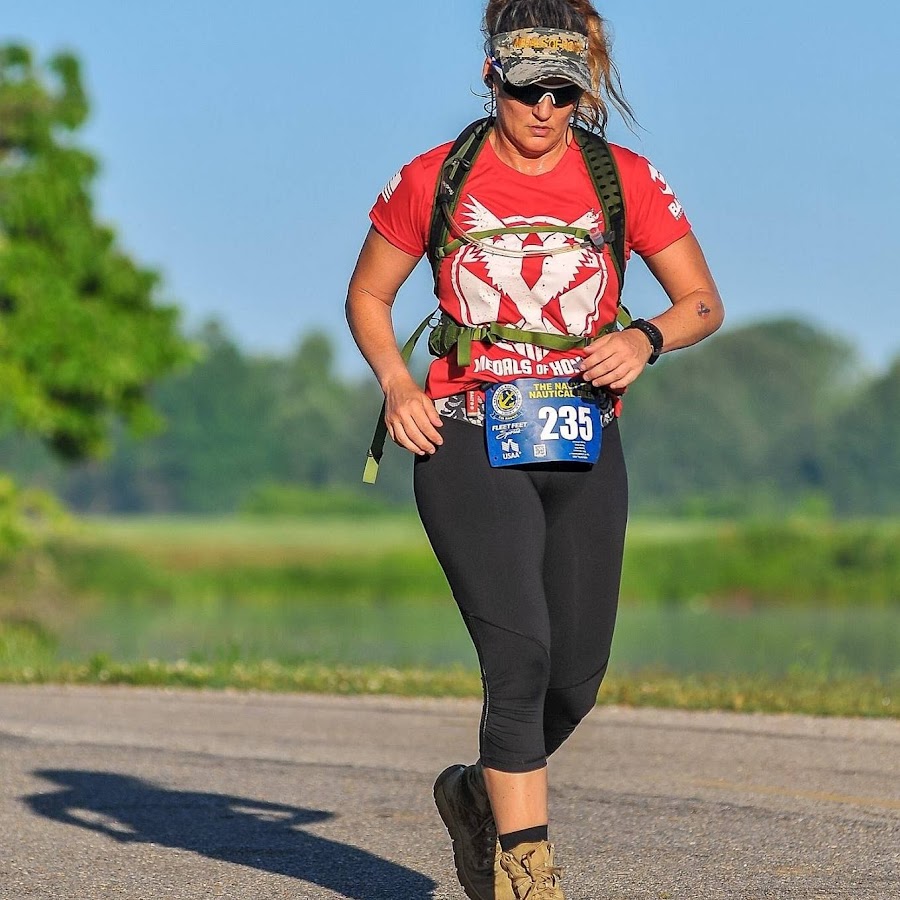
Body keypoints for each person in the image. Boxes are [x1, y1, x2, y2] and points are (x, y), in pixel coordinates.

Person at [346, 1, 724, 897]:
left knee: (575, 677)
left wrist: (646, 339)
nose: (546, 110)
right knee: (517, 659)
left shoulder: (622, 178)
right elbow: (368, 295)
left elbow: (703, 302)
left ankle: (479, 792)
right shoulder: (435, 177)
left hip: (584, 442)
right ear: (492, 80)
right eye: (528, 91)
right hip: (466, 435)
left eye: (564, 92)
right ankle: (527, 869)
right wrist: (398, 385)